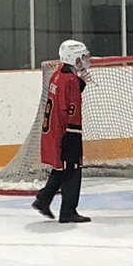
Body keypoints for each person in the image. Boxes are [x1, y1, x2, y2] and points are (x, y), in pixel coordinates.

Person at [32, 39, 91, 223]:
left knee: (62, 168)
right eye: (82, 57)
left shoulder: (57, 74)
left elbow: (64, 99)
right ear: (74, 59)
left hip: (54, 131)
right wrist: (72, 138)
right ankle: (68, 211)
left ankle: (43, 199)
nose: (85, 61)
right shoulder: (71, 80)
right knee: (73, 170)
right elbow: (71, 111)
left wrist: (81, 83)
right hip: (67, 132)